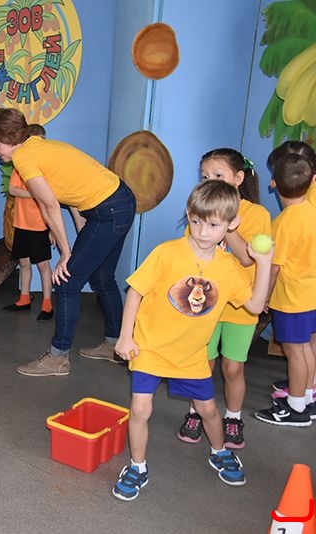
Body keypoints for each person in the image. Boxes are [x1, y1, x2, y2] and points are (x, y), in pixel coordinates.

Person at [112, 180, 272, 501]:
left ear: (232, 225)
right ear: (188, 214)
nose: (202, 232)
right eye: (196, 222)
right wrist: (125, 336)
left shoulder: (228, 268)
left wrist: (264, 262)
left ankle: (219, 451)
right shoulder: (167, 253)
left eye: (213, 225)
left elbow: (255, 306)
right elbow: (136, 292)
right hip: (150, 347)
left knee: (209, 411)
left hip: (190, 355)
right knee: (140, 410)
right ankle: (137, 467)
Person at [0, 108, 136, 376]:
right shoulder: (36, 146)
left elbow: (50, 205)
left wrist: (65, 252)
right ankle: (113, 344)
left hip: (108, 210)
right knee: (102, 278)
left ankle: (58, 357)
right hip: (120, 201)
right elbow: (65, 190)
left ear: (9, 137)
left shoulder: (23, 156)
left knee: (66, 283)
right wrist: (79, 233)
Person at [175, 149, 270, 449]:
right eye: (205, 176)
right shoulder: (202, 210)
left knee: (233, 368)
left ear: (239, 178)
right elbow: (187, 253)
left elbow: (246, 258)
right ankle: (195, 412)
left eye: (218, 175)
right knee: (202, 363)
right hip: (206, 304)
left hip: (241, 306)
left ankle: (233, 418)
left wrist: (227, 223)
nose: (210, 180)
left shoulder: (256, 214)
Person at [254, 153, 316, 426]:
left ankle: (295, 407)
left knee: (294, 352)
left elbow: (274, 268)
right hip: (310, 293)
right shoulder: (312, 210)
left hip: (291, 298)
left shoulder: (283, 223)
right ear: (311, 182)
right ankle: (308, 397)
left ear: (273, 183)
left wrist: (264, 296)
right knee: (305, 348)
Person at [5, 123, 54, 321]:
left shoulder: (47, 169)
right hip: (21, 224)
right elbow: (12, 189)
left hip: (40, 225)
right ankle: (24, 298)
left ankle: (47, 303)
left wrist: (52, 229)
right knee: (24, 263)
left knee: (43, 265)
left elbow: (51, 200)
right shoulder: (20, 167)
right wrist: (34, 193)